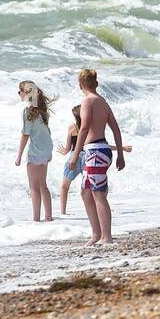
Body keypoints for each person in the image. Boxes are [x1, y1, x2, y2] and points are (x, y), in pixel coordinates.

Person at [64, 69, 126, 245]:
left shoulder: (87, 101)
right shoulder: (103, 102)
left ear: (80, 84)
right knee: (85, 192)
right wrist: (120, 154)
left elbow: (83, 129)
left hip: (95, 152)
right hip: (102, 150)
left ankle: (107, 237)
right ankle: (96, 234)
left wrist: (75, 155)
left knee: (98, 194)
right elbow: (115, 129)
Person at [15, 81, 55, 223]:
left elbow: (25, 135)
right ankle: (49, 217)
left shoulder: (27, 112)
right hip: (46, 150)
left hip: (36, 151)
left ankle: (36, 219)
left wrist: (19, 156)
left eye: (20, 91)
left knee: (34, 187)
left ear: (26, 94)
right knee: (43, 184)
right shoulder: (43, 109)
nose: (18, 94)